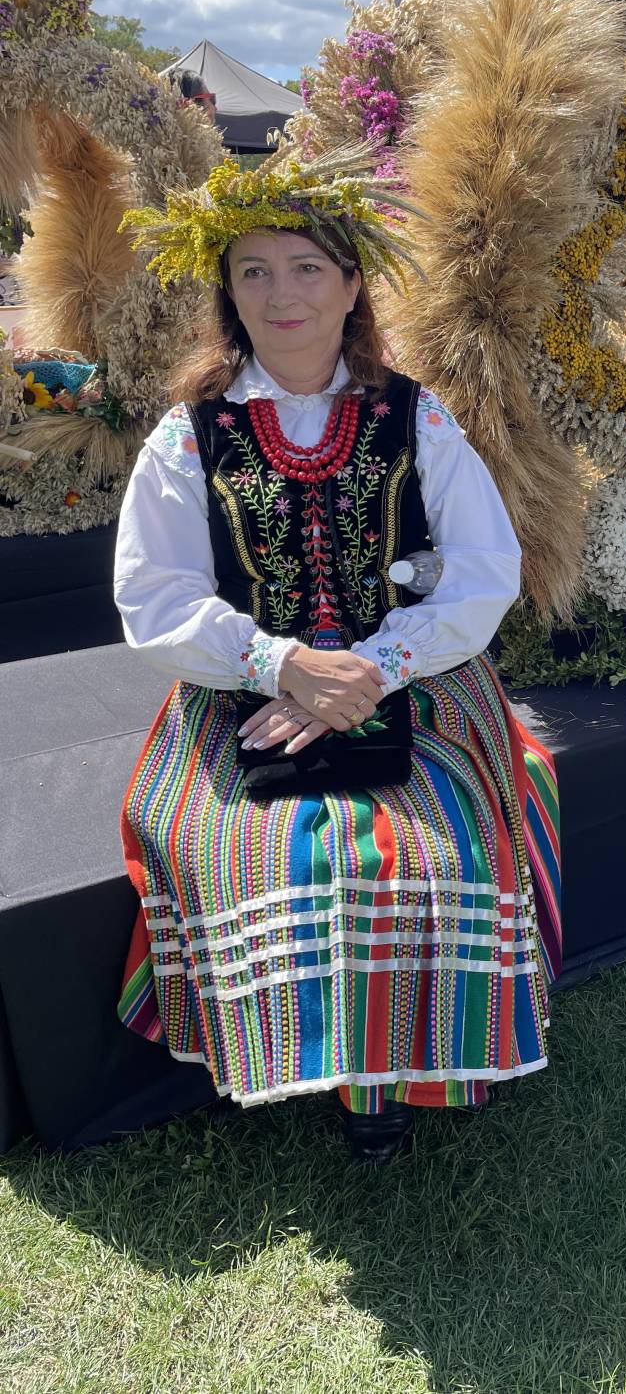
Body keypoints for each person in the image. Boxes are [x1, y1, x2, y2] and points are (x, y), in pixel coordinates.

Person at [112, 152, 561, 1160]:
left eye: (307, 267)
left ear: (353, 286)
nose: (283, 293)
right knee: (262, 850)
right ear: (229, 293)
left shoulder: (416, 415)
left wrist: (371, 668)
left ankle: (390, 1072)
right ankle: (307, 1051)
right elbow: (156, 595)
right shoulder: (190, 434)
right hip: (240, 690)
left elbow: (482, 571)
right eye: (255, 271)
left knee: (431, 848)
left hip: (416, 680)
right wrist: (283, 667)